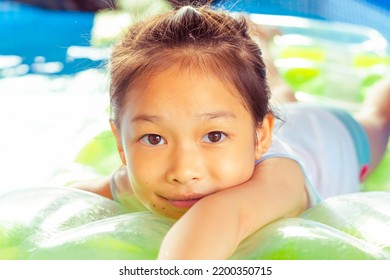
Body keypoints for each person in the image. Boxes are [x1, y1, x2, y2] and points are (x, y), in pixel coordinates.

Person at [75, 5, 390, 259]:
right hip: (263, 119)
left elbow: (223, 216)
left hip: (332, 138)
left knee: (377, 115)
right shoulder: (135, 180)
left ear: (261, 137)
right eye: (154, 138)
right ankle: (261, 45)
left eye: (213, 136)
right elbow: (77, 196)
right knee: (275, 93)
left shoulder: (279, 178)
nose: (183, 171)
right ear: (120, 143)